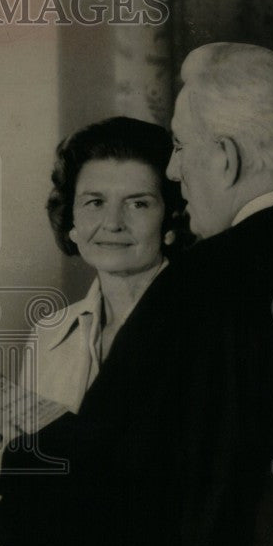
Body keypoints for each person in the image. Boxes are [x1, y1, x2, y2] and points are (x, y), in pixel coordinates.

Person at [0, 42, 273, 546]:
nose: (175, 170)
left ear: (224, 158)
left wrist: (23, 463)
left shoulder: (198, 285)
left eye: (179, 147)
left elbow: (109, 494)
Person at [26, 117, 191, 413]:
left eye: (138, 203)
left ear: (171, 222)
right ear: (71, 221)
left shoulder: (201, 330)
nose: (113, 224)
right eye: (95, 202)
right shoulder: (48, 334)